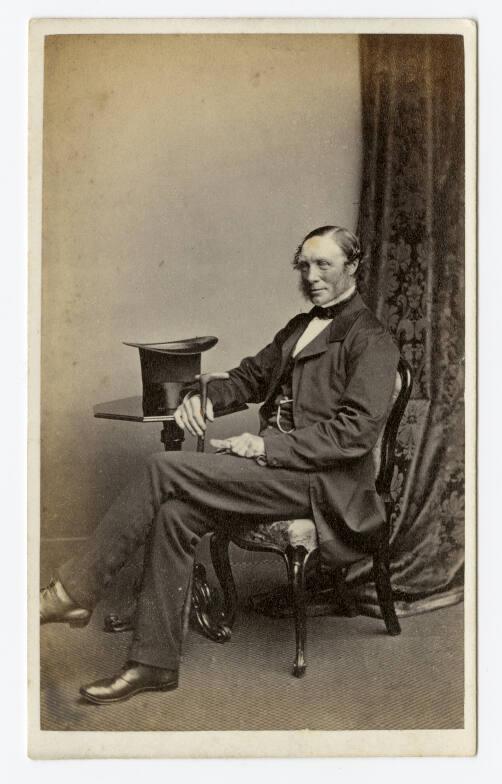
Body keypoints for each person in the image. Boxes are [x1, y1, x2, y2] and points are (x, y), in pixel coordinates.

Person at [40, 225, 400, 705]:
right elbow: (248, 377)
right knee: (174, 514)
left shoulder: (372, 339)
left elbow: (354, 434)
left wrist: (263, 449)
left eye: (324, 265)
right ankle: (153, 663)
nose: (311, 276)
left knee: (163, 468)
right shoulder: (299, 327)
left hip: (323, 485)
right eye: (304, 265)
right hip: (280, 474)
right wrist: (201, 397)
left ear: (352, 267)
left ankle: (73, 592)